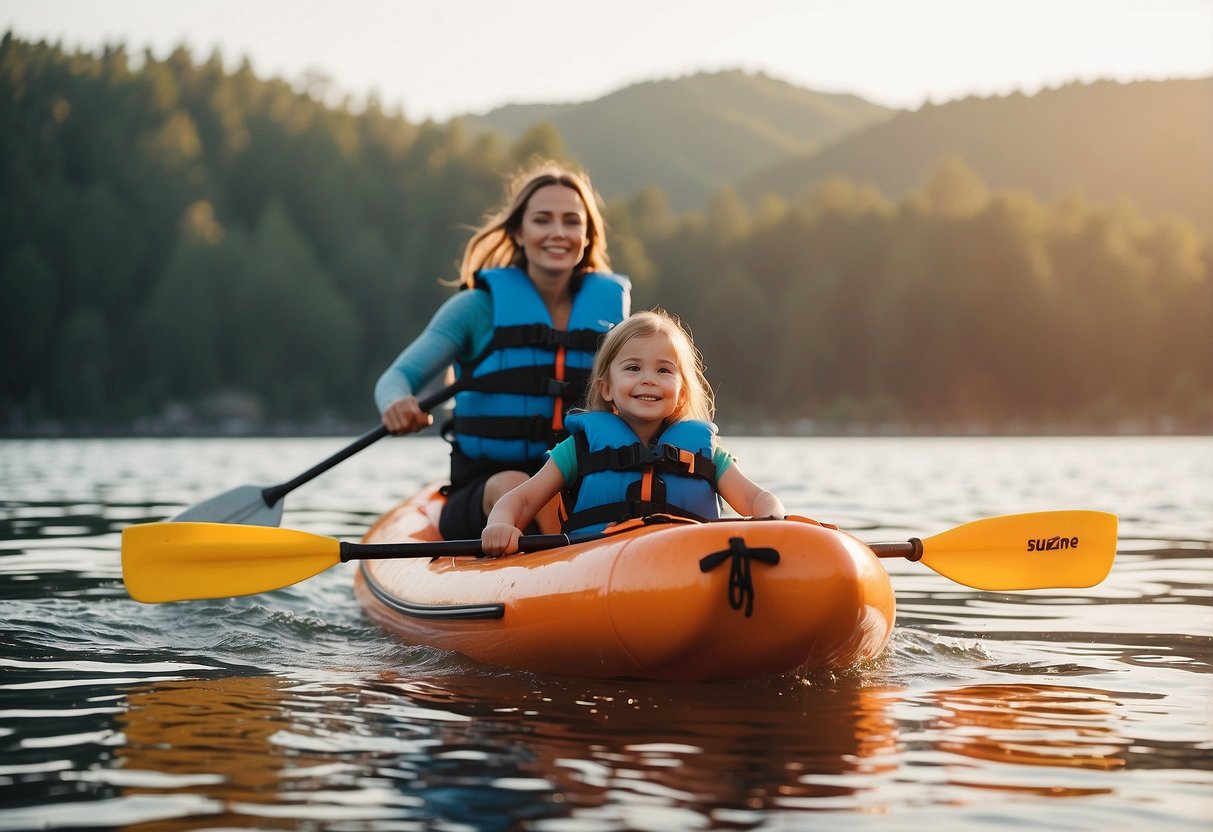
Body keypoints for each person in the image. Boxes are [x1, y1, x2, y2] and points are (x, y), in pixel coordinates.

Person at [375, 162, 631, 540]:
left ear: (588, 235)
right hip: (487, 488)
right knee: (519, 484)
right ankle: (559, 565)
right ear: (518, 231)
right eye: (542, 220)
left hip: (578, 482)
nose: (558, 233)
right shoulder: (476, 308)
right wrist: (396, 403)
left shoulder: (613, 318)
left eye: (572, 222)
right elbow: (396, 379)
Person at [481, 309, 785, 556]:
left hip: (688, 565)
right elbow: (519, 501)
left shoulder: (708, 454)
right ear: (607, 388)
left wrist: (771, 516)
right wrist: (500, 524)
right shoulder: (579, 449)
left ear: (681, 393)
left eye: (663, 370)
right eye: (633, 368)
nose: (649, 380)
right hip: (596, 569)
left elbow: (756, 497)